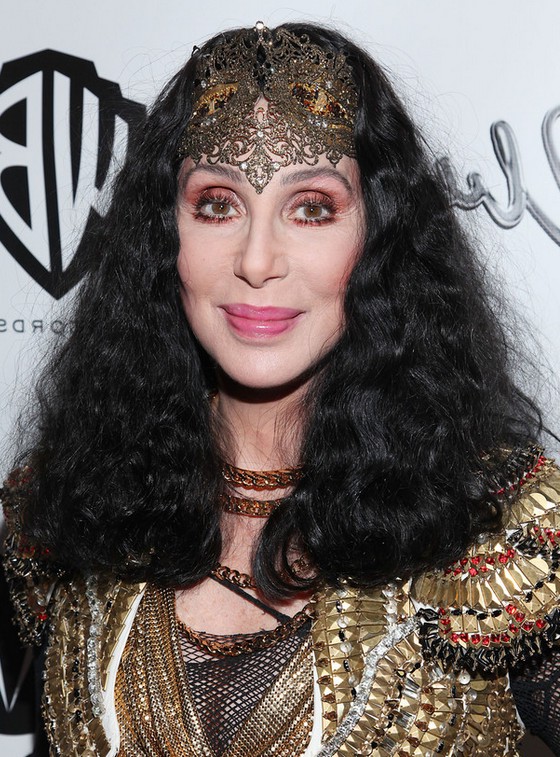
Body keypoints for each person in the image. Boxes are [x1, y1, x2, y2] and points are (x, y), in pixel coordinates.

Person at [2, 20, 560, 756]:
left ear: (379, 237)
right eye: (217, 203)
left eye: (312, 208)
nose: (257, 259)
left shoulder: (503, 530)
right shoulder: (63, 509)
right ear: (163, 236)